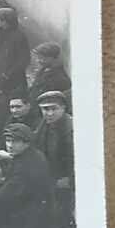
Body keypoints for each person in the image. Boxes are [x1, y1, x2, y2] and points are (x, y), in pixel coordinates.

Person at [0, 122, 57, 228]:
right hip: (40, 208)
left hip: (30, 218)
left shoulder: (24, 171)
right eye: (8, 141)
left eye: (15, 142)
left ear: (27, 143)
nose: (9, 145)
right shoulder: (34, 155)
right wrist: (10, 157)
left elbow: (4, 197)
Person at [34, 90, 75, 218]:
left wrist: (71, 180)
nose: (49, 113)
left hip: (66, 184)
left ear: (63, 108)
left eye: (54, 109)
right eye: (45, 109)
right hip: (49, 180)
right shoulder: (44, 124)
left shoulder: (71, 129)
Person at [0, 6, 31, 100]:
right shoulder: (2, 34)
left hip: (13, 80)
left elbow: (24, 60)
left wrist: (8, 74)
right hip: (0, 77)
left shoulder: (19, 37)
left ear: (5, 21)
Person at [28, 42, 72, 111]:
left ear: (54, 58)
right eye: (38, 58)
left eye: (43, 58)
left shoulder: (60, 78)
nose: (39, 61)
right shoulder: (43, 71)